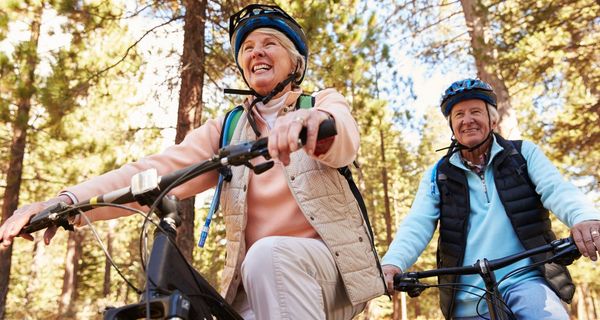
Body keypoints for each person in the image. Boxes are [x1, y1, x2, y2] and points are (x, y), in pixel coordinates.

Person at [0, 4, 385, 319]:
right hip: (258, 288)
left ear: (295, 62)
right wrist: (67, 202)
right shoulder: (228, 128)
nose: (257, 52)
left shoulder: (318, 103)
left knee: (268, 255)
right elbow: (150, 172)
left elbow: (344, 138)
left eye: (270, 43)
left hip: (331, 275)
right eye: (248, 47)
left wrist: (313, 123)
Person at [382, 78, 600, 319]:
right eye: (459, 115)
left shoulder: (522, 154)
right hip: (467, 294)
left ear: (493, 119)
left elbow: (557, 190)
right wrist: (393, 263)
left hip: (527, 281)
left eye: (476, 111)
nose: (467, 120)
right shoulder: (438, 174)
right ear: (452, 126)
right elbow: (417, 223)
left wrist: (584, 217)